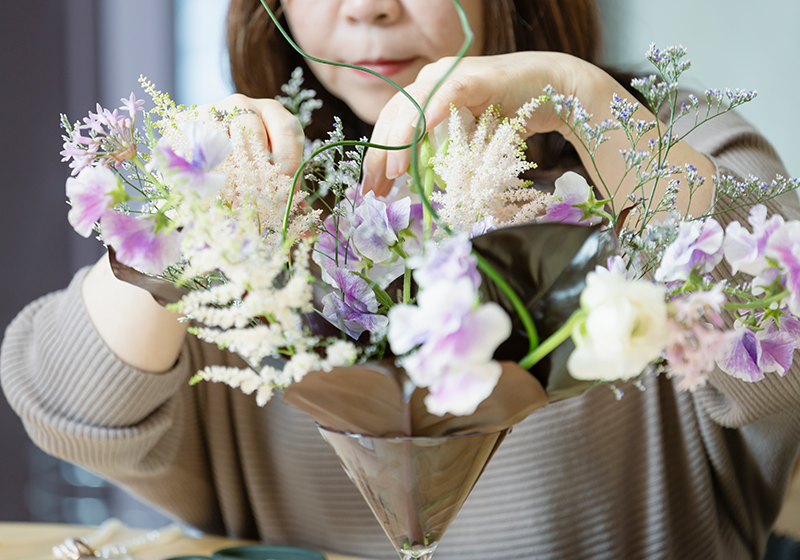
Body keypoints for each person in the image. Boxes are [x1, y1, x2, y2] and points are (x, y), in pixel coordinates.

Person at [2, 1, 799, 558]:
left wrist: (584, 99)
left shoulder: (662, 142)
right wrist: (178, 208)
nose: (369, 8)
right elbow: (70, 408)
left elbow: (783, 340)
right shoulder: (250, 198)